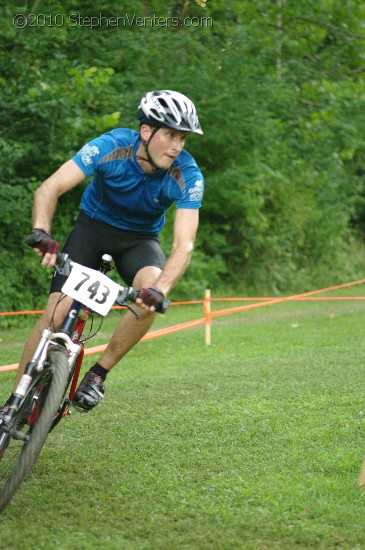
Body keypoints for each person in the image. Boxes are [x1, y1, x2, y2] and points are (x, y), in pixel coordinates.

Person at [1, 90, 204, 414]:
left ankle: (98, 374)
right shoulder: (111, 146)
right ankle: (12, 403)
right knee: (55, 315)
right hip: (92, 230)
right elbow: (49, 187)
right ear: (146, 131)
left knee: (151, 290)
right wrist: (42, 231)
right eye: (170, 135)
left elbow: (184, 245)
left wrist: (160, 289)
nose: (177, 146)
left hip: (138, 241)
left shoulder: (187, 174)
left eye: (182, 138)